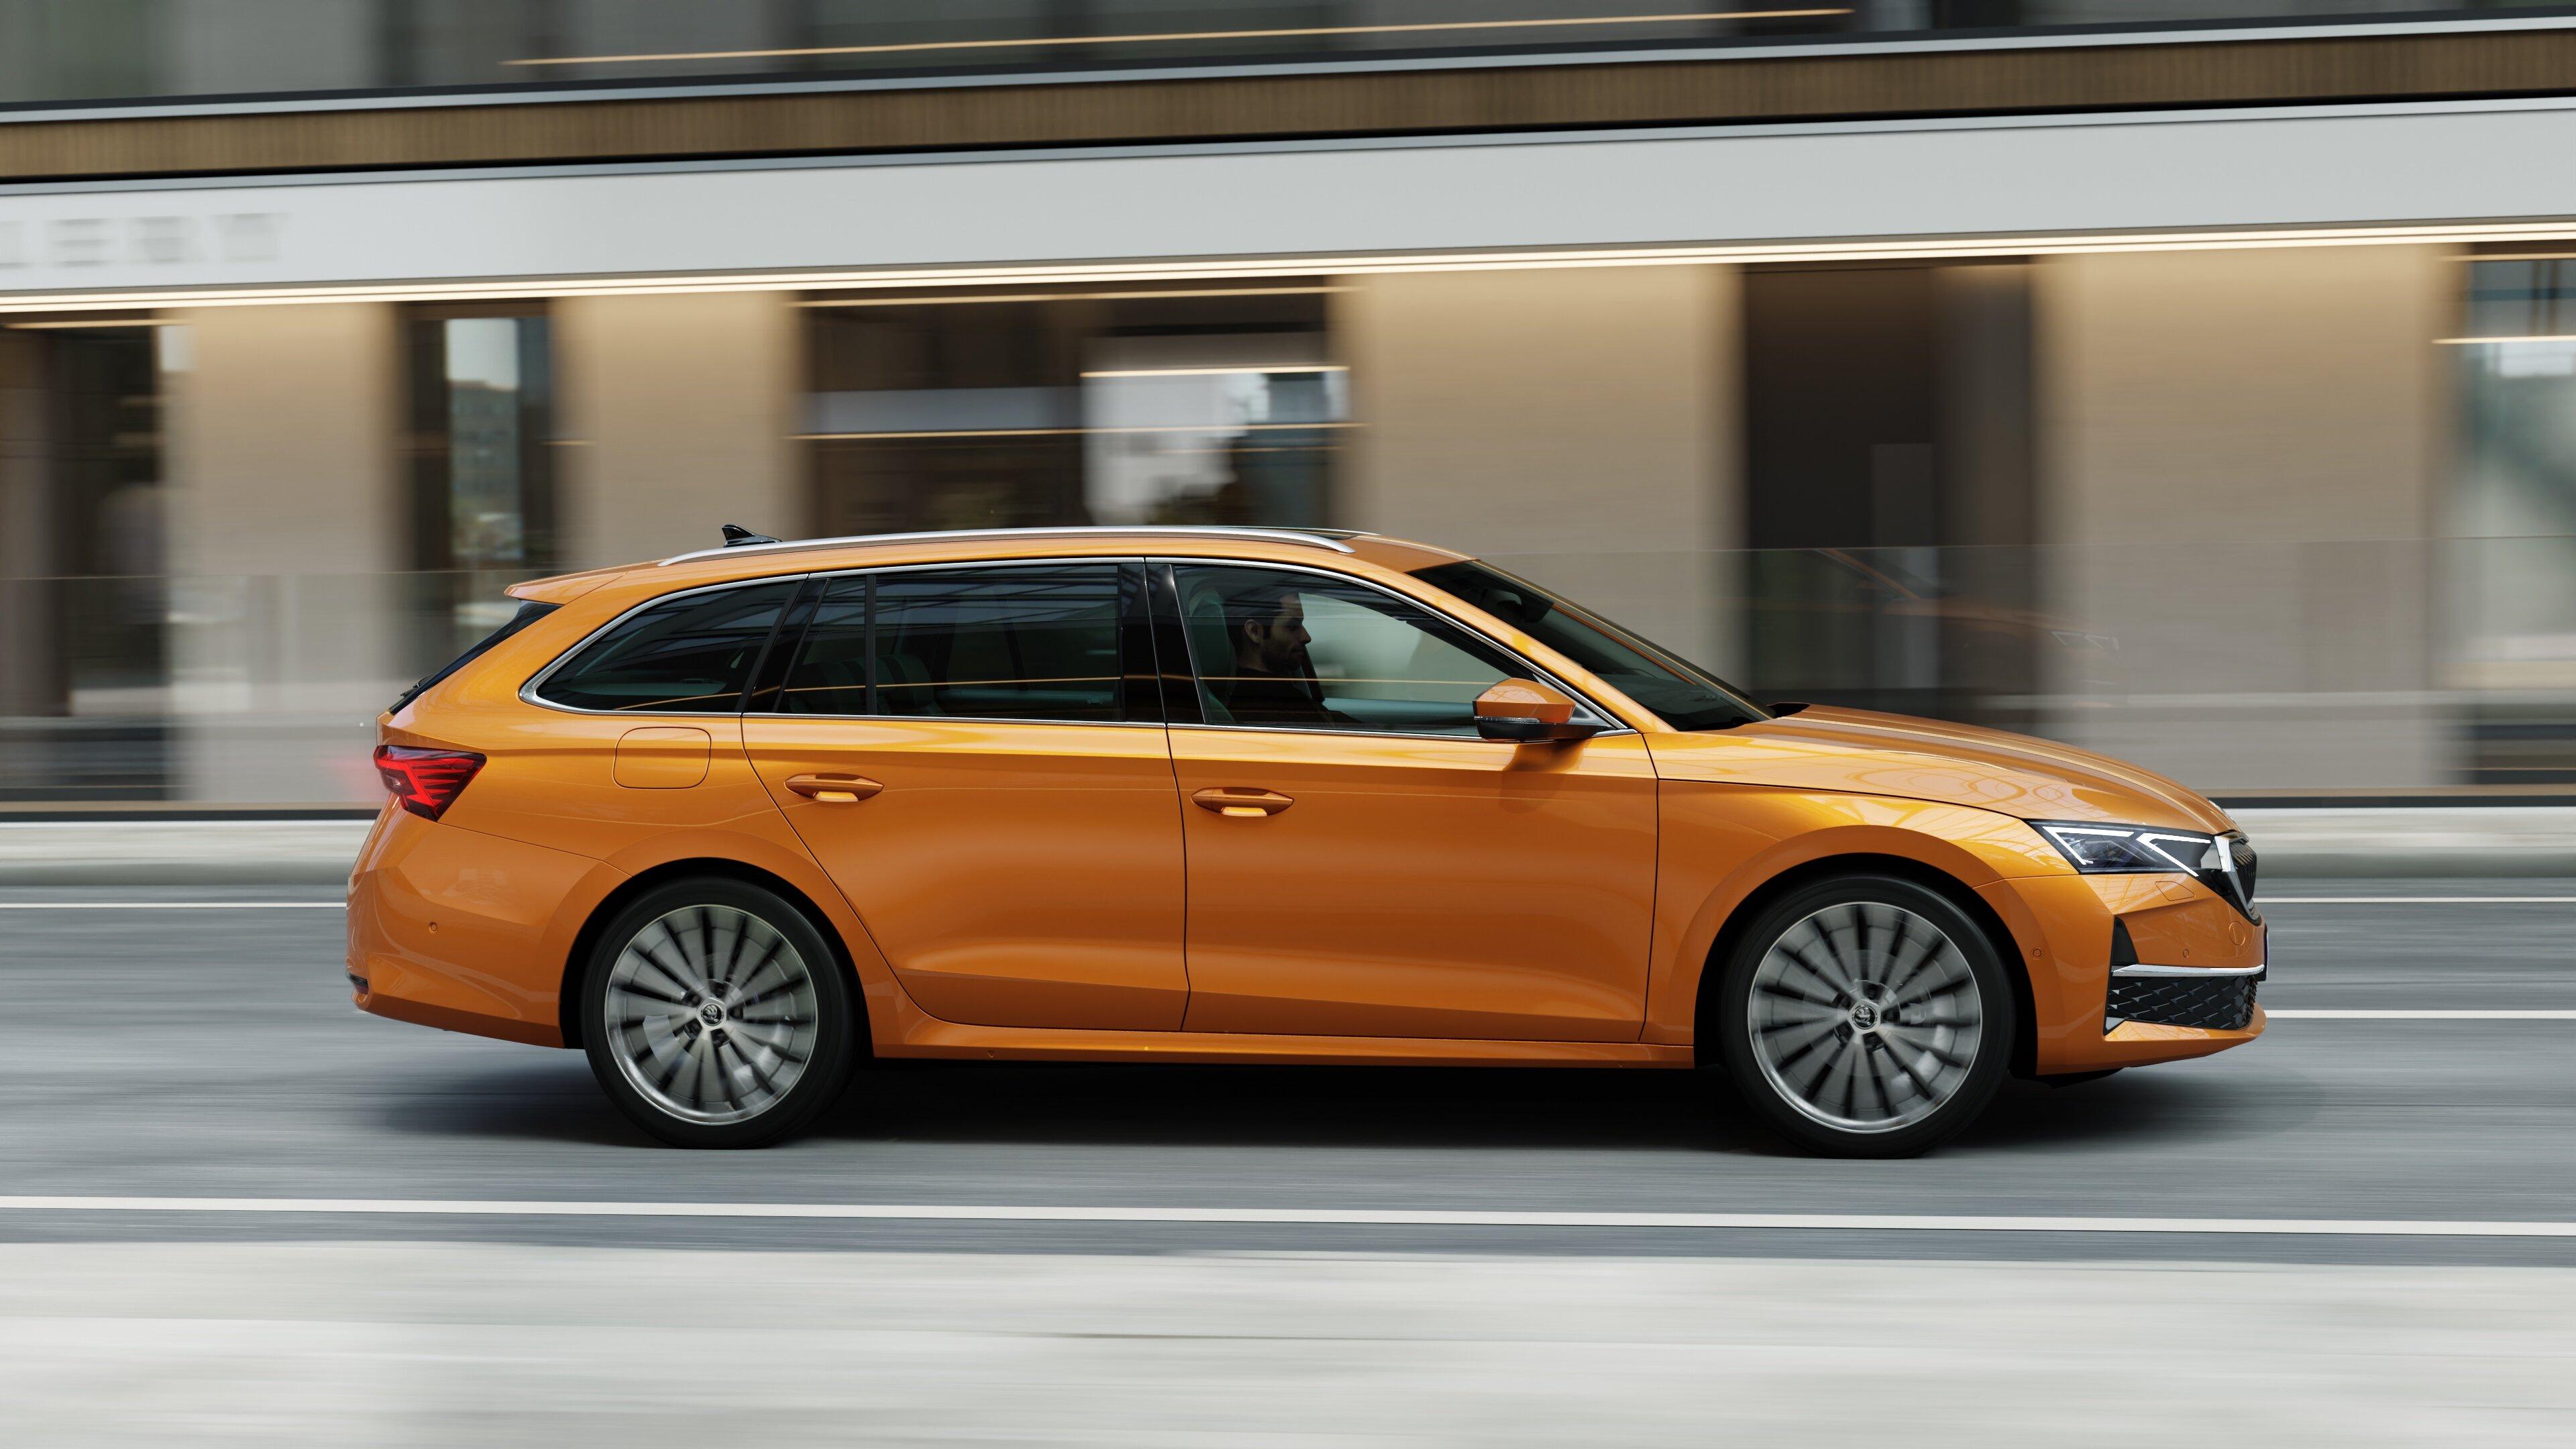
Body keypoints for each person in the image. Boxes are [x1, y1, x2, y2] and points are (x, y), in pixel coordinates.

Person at [1219, 582, 1350, 727]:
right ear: (1255, 631)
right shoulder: (1262, 710)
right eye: (1292, 627)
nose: (1307, 636)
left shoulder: (1281, 698)